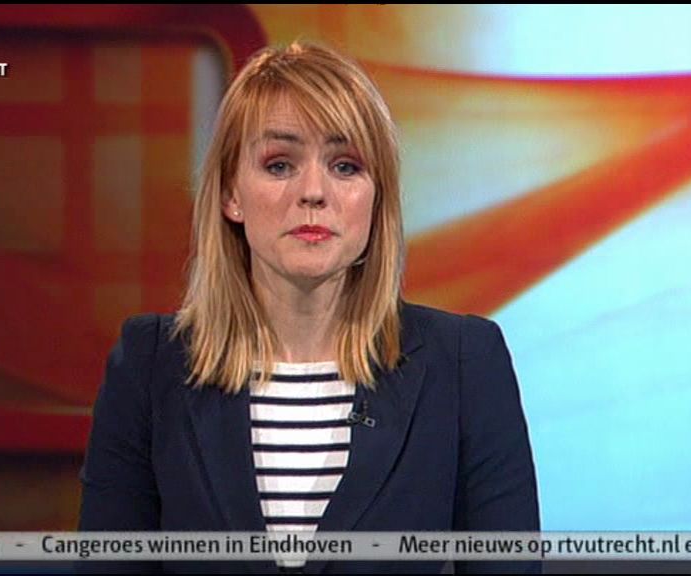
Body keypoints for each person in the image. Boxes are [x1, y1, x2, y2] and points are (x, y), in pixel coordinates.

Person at [78, 40, 541, 574]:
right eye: (280, 165)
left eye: (345, 166)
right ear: (231, 194)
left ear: (377, 197)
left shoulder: (463, 362)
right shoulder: (149, 365)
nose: (314, 192)